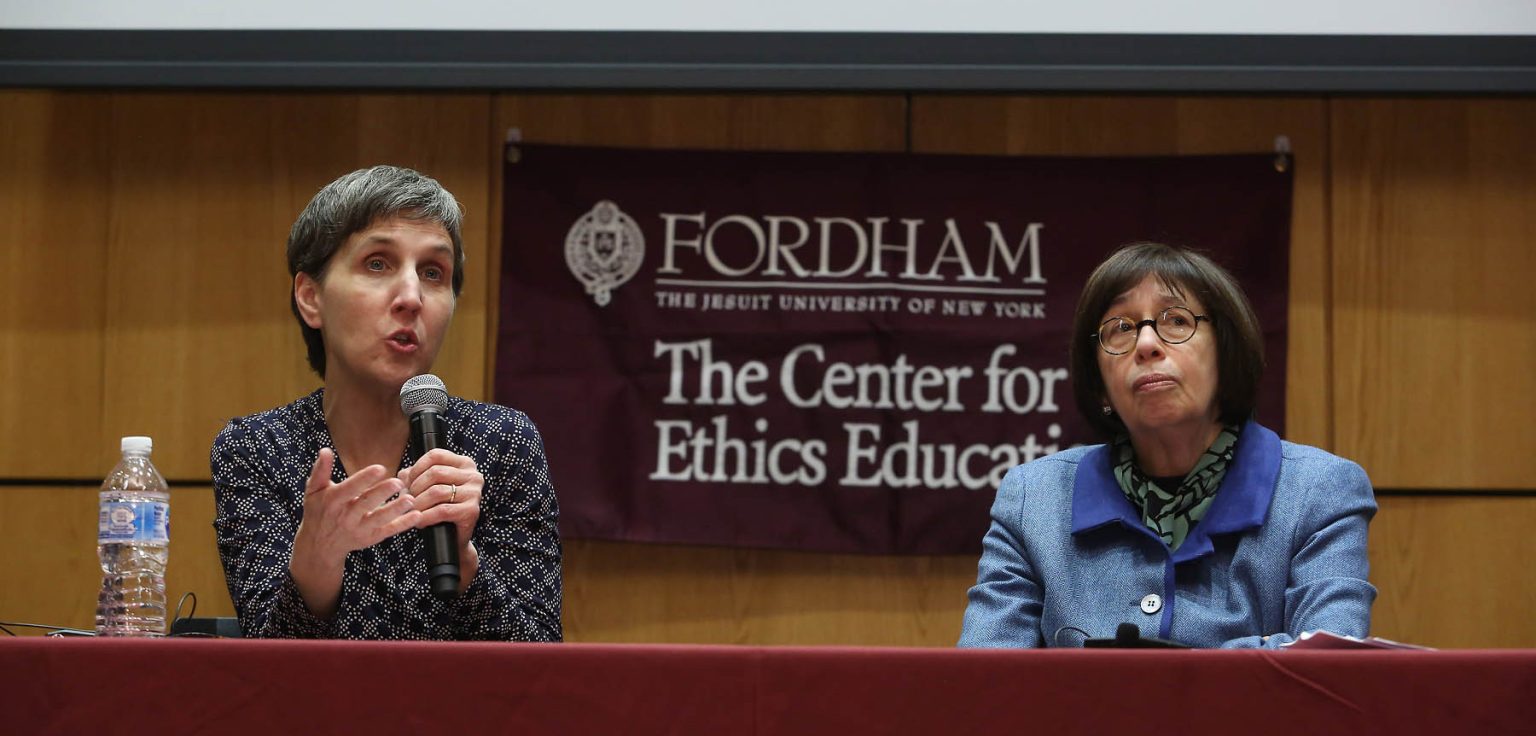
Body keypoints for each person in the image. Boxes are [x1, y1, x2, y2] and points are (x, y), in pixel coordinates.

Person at [959, 242, 1375, 649]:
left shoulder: (1318, 490)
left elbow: (1328, 666)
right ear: (1100, 384)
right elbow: (984, 684)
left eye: (1176, 320)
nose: (1145, 344)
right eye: (1120, 328)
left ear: (1226, 355)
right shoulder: (1034, 500)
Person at [212, 165, 562, 640]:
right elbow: (269, 676)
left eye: (434, 273)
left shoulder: (500, 443)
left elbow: (541, 667)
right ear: (310, 297)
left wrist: (465, 567)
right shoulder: (256, 449)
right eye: (378, 264)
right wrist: (315, 566)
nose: (412, 297)